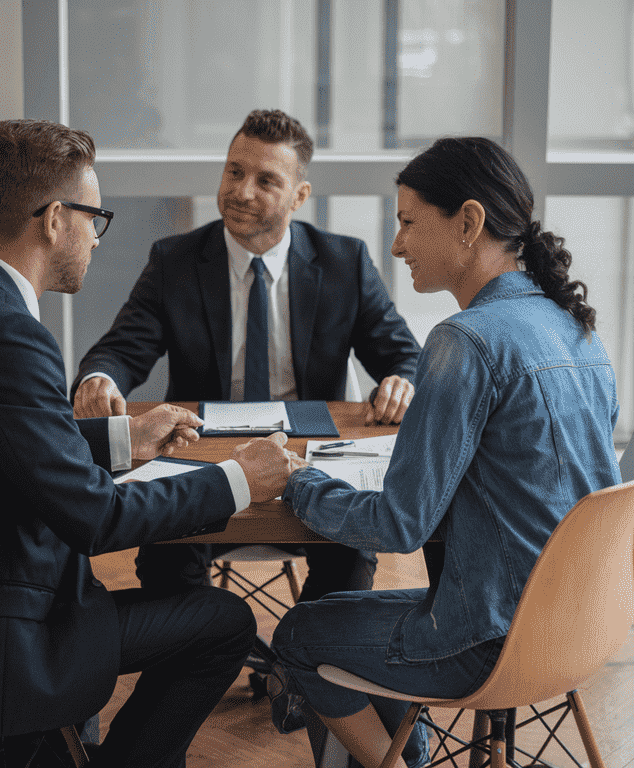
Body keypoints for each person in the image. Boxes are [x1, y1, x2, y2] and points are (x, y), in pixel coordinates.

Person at [0, 119, 297, 768]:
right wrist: (238, 478)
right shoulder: (8, 335)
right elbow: (97, 518)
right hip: (4, 637)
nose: (95, 239)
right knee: (223, 622)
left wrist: (124, 436)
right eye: (94, 218)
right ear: (55, 220)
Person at [263, 137, 622, 768]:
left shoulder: (465, 341)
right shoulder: (579, 332)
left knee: (298, 632)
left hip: (490, 642)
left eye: (407, 222)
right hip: (579, 634)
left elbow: (400, 526)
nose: (396, 244)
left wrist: (298, 481)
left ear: (469, 221)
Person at [71, 108, 421, 602]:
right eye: (234, 171)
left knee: (351, 552)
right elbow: (122, 349)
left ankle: (306, 666)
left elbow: (404, 357)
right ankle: (202, 652)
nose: (241, 191)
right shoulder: (176, 260)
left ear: (300, 195)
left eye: (265, 180)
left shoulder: (345, 262)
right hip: (204, 461)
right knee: (165, 552)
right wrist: (100, 378)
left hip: (308, 463)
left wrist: (402, 380)